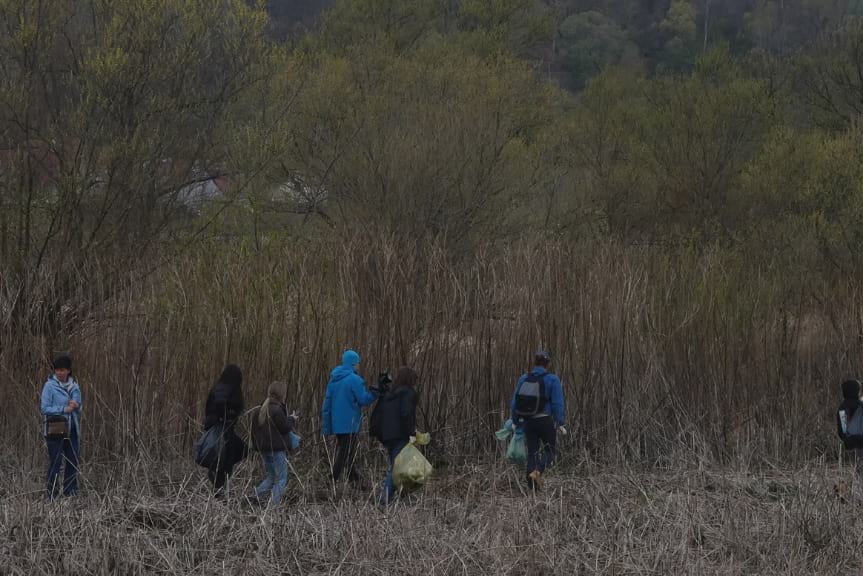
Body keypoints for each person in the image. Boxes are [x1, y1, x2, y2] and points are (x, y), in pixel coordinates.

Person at [511, 350, 566, 490]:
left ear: (534, 362)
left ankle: (532, 488)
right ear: (548, 364)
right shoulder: (552, 379)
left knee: (532, 453)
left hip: (528, 422)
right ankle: (538, 472)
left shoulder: (524, 378)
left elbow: (514, 402)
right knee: (551, 451)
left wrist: (515, 421)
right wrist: (560, 422)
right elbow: (557, 404)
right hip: (544, 421)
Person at [321, 349, 377, 487]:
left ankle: (355, 481)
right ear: (354, 363)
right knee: (345, 453)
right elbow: (364, 400)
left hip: (337, 424)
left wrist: (327, 425)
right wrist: (376, 393)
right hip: (350, 424)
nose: (359, 365)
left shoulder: (334, 380)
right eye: (357, 363)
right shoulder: (354, 379)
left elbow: (327, 404)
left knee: (347, 453)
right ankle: (331, 479)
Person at [40, 354, 83, 500]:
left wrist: (77, 406)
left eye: (62, 370)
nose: (59, 372)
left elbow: (78, 409)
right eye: (57, 370)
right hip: (55, 429)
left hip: (72, 430)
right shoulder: (49, 386)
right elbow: (45, 408)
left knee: (72, 461)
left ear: (69, 371)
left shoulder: (75, 386)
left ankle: (70, 493)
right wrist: (64, 409)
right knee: (55, 462)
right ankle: (52, 494)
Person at [375, 366, 418, 505]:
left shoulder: (389, 395)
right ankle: (384, 499)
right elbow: (406, 413)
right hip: (400, 435)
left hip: (388, 436)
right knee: (396, 468)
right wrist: (411, 433)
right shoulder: (408, 393)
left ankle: (402, 495)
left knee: (397, 467)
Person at [250, 381, 297, 506]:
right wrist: (292, 419)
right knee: (281, 479)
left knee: (271, 478)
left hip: (264, 450)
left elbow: (254, 432)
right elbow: (285, 428)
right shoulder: (276, 410)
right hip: (276, 450)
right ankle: (273, 508)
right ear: (282, 394)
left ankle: (253, 497)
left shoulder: (260, 410)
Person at [203, 364, 247, 495]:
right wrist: (227, 415)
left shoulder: (224, 388)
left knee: (231, 455)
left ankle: (220, 485)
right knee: (224, 458)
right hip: (222, 429)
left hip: (225, 429)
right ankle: (219, 486)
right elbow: (220, 402)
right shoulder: (224, 388)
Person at [837, 379, 863, 495]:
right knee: (858, 472)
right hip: (860, 444)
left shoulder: (842, 407)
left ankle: (842, 494)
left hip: (849, 444)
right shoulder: (860, 405)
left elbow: (843, 430)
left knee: (846, 471)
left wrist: (846, 439)